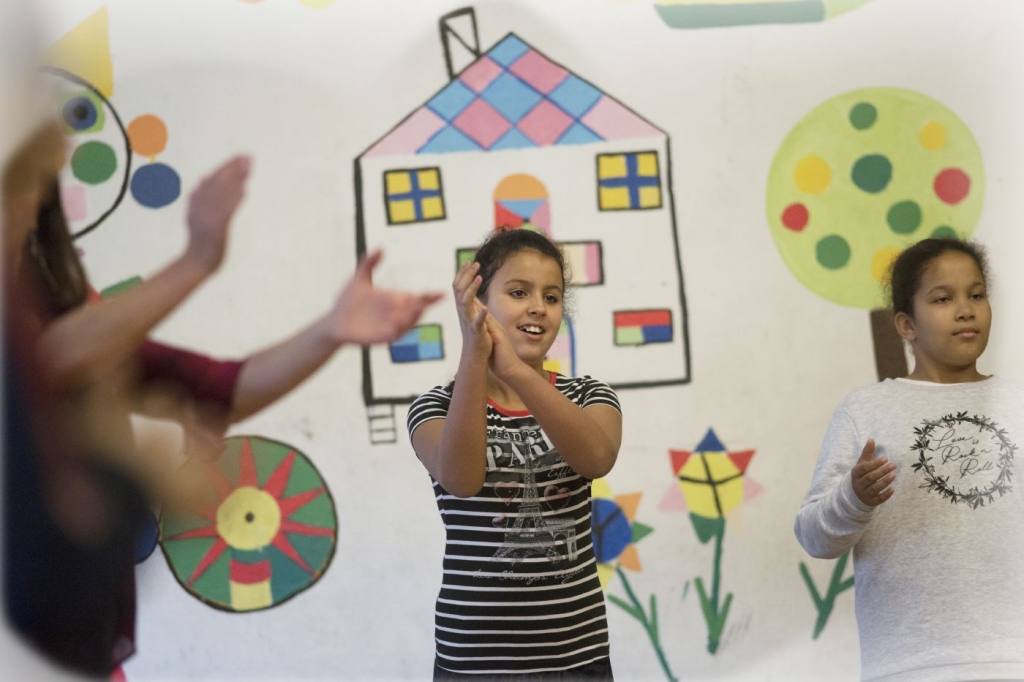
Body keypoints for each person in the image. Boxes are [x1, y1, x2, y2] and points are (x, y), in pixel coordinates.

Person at [2, 122, 442, 676]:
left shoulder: (68, 314)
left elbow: (218, 388)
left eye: (25, 182)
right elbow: (48, 361)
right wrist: (197, 261)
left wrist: (330, 329)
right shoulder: (56, 339)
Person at [794, 238, 1024, 682]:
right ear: (906, 324)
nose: (965, 309)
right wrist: (853, 498)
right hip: (907, 664)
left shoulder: (1018, 403)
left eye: (976, 295)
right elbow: (813, 537)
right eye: (943, 298)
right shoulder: (866, 410)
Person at [408, 228, 622, 680]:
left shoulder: (588, 396)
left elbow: (597, 458)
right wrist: (477, 352)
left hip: (577, 659)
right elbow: (462, 480)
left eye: (552, 296)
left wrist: (515, 371)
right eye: (519, 292)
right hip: (472, 663)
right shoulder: (434, 407)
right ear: (479, 303)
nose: (538, 308)